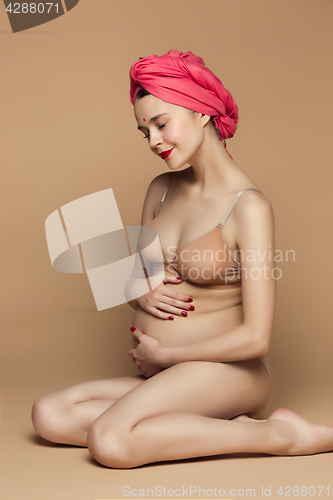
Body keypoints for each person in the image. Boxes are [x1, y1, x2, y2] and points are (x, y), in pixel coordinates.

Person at [31, 50, 333, 468]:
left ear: (202, 112)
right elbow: (141, 284)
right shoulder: (161, 188)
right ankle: (181, 426)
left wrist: (165, 356)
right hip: (166, 377)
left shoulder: (249, 208)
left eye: (161, 123)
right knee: (49, 414)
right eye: (144, 131)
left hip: (226, 374)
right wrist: (141, 292)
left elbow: (256, 337)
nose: (154, 141)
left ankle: (280, 435)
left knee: (110, 442)